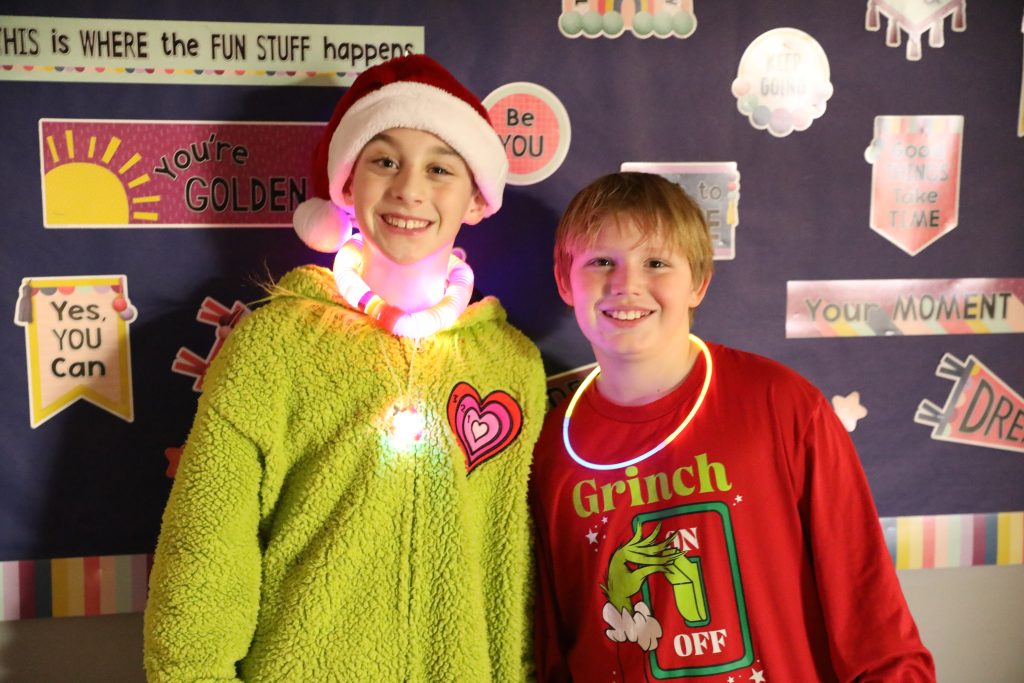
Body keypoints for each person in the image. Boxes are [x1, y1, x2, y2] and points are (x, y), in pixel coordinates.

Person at [144, 55, 546, 682]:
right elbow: (203, 562)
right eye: (385, 160)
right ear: (347, 183)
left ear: (475, 199)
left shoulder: (511, 363)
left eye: (440, 168)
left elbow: (509, 571)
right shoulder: (275, 343)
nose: (410, 189)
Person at [530, 172, 935, 682]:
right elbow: (550, 654)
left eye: (656, 263)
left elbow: (873, 622)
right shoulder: (549, 450)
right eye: (601, 262)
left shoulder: (781, 405)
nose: (625, 284)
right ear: (565, 280)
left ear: (698, 282)